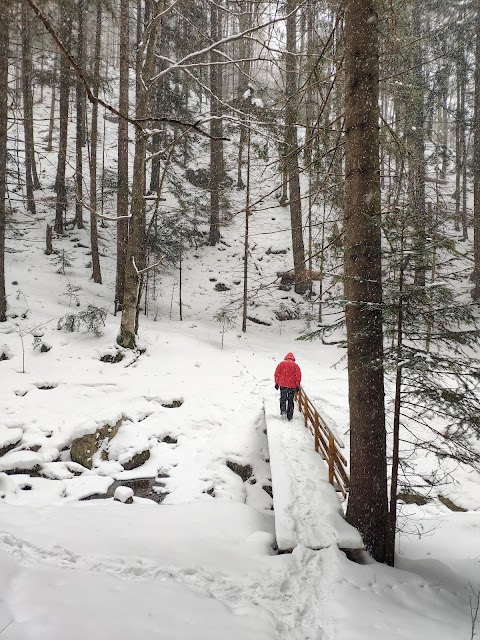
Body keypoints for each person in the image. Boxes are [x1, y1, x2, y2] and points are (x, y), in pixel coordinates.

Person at [274, 352, 301, 421]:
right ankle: (290, 415)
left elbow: (277, 374)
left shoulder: (281, 364)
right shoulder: (295, 366)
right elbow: (298, 376)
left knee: (283, 398)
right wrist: (297, 385)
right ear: (293, 358)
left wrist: (276, 383)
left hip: (283, 385)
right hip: (292, 386)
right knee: (290, 400)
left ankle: (283, 411)